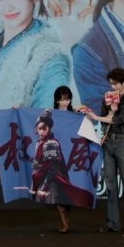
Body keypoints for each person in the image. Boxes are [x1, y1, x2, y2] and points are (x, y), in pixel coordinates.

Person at [85, 68, 124, 234]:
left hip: (123, 142)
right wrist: (109, 111)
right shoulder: (107, 98)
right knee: (110, 184)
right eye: (111, 83)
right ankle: (112, 223)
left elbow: (122, 120)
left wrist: (105, 115)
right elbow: (105, 121)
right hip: (108, 142)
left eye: (116, 83)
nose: (113, 87)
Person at [30, 109, 94, 227]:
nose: (41, 131)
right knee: (58, 202)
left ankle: (65, 224)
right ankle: (65, 223)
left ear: (49, 129)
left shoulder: (50, 143)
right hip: (46, 176)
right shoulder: (40, 141)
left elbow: (53, 166)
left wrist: (45, 186)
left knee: (58, 202)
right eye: (39, 129)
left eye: (44, 129)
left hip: (52, 178)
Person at [49, 85, 78, 233]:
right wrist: (18, 110)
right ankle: (65, 222)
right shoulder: (50, 115)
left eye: (67, 99)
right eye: (61, 100)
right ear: (56, 101)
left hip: (71, 157)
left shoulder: (75, 115)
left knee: (69, 190)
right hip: (55, 157)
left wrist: (85, 115)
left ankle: (67, 215)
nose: (64, 102)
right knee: (57, 190)